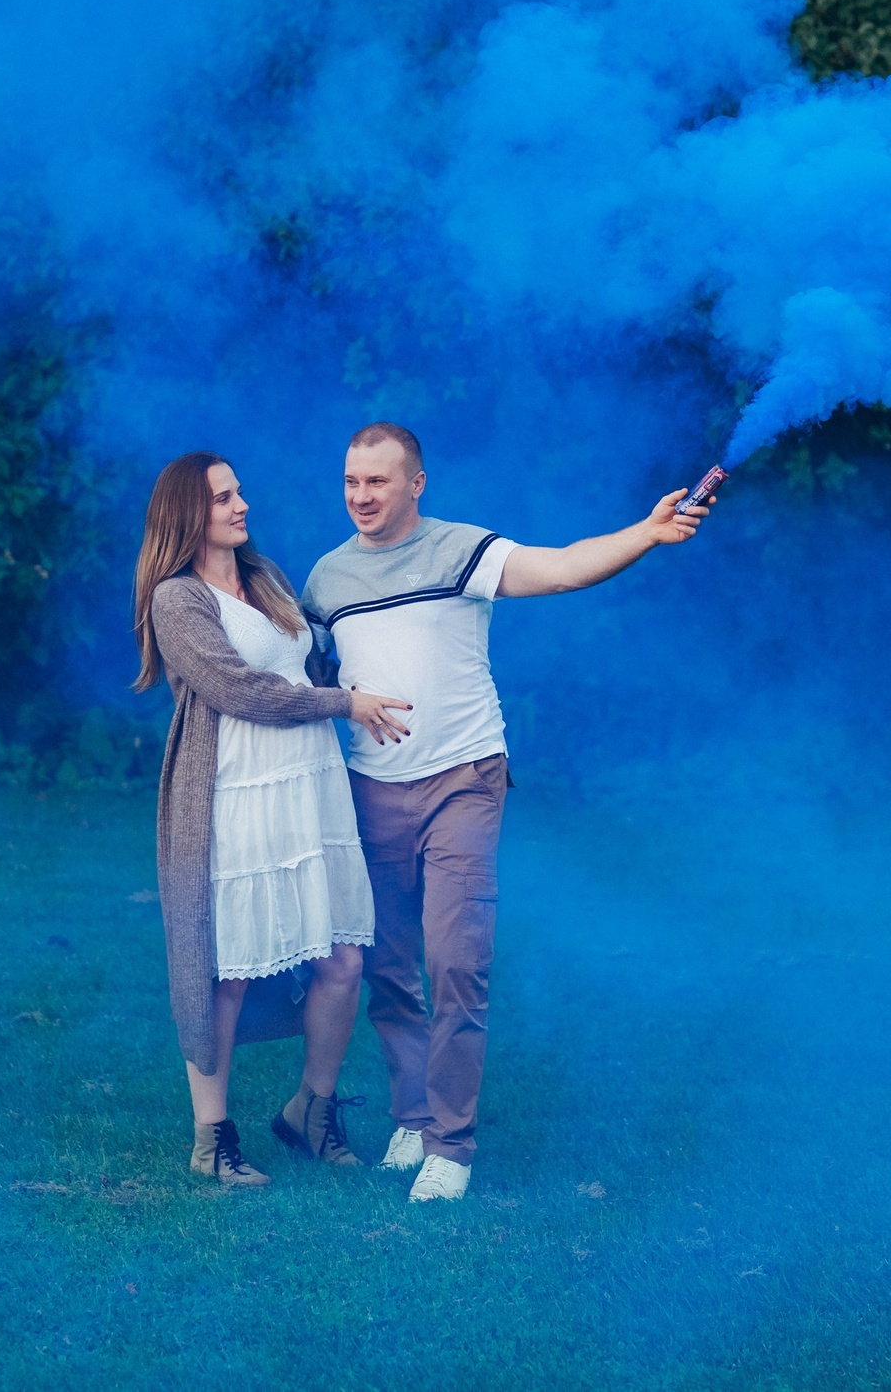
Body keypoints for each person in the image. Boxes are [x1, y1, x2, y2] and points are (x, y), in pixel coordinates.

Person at [301, 422, 714, 1203]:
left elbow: (559, 570)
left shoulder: (461, 549)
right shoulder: (325, 578)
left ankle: (450, 1145)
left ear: (416, 483)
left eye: (378, 481)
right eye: (352, 481)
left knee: (456, 959)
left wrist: (648, 533)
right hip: (371, 789)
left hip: (463, 779)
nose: (361, 495)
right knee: (389, 968)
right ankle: (413, 1115)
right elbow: (310, 678)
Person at [135, 451, 417, 1187]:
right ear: (188, 514)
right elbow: (242, 690)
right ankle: (212, 1138)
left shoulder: (266, 579)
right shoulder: (178, 598)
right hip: (237, 792)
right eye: (224, 497)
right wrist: (343, 704)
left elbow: (309, 664)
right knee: (225, 970)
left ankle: (310, 1112)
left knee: (342, 958)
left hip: (310, 786)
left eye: (239, 491)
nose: (242, 504)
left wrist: (356, 684)